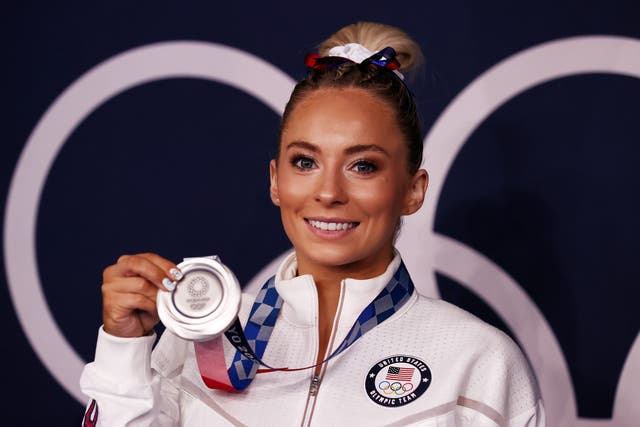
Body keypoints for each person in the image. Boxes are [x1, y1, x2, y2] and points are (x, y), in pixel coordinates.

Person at [80, 21, 545, 426]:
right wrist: (124, 350)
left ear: (413, 190)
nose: (328, 192)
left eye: (363, 166)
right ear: (275, 180)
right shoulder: (199, 341)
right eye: (305, 162)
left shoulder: (479, 361)